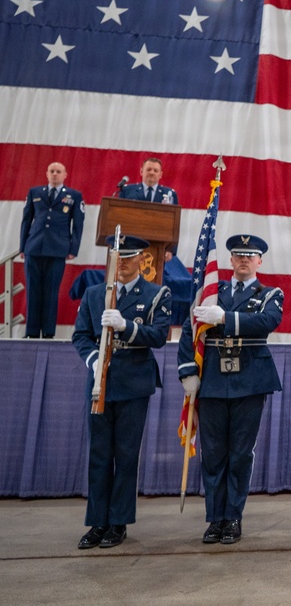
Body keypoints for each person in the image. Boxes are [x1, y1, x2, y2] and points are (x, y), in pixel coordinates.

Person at [177, 234, 283, 545]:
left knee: (239, 454)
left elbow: (267, 321)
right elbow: (190, 329)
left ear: (259, 261)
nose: (244, 260)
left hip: (249, 380)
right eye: (238, 255)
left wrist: (225, 317)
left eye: (250, 255)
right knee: (213, 454)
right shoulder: (213, 291)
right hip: (211, 380)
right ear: (230, 260)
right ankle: (215, 518)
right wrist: (187, 372)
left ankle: (234, 516)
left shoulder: (270, 293)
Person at [72, 235, 171, 550]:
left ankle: (118, 522)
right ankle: (97, 521)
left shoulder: (156, 293)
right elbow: (81, 336)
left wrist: (127, 326)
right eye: (119, 257)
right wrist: (94, 359)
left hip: (132, 383)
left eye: (130, 257)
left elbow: (158, 336)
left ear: (141, 259)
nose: (124, 263)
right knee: (99, 455)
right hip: (101, 382)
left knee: (126, 455)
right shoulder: (94, 294)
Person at [19, 161, 85, 338]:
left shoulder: (74, 195)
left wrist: (73, 248)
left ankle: (48, 332)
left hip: (58, 249)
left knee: (51, 292)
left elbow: (78, 225)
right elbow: (26, 220)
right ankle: (31, 332)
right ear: (47, 174)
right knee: (33, 290)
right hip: (34, 247)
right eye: (52, 171)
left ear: (65, 175)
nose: (55, 174)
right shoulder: (35, 192)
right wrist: (23, 246)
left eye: (58, 171)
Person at [119, 157, 179, 260]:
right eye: (148, 169)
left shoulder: (169, 194)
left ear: (160, 174)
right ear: (141, 171)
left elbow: (174, 224)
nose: (152, 172)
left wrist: (170, 249)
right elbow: (119, 216)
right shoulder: (127, 191)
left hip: (157, 247)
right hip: (129, 245)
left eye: (155, 170)